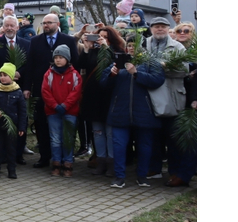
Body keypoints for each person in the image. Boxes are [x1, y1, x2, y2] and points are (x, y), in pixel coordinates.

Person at [100, 37, 165, 188]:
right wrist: (111, 75)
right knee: (119, 145)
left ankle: (142, 176)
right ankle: (119, 177)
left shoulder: (150, 62)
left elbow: (158, 80)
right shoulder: (118, 63)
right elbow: (103, 83)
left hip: (144, 112)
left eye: (134, 45)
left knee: (144, 146)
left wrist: (136, 73)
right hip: (120, 112)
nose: (131, 48)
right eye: (128, 45)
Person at [25, 14, 79, 169]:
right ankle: (45, 157)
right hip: (42, 89)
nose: (45, 25)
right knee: (41, 124)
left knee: (63, 127)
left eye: (48, 23)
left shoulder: (68, 40)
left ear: (57, 24)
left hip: (64, 89)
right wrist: (27, 87)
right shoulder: (35, 41)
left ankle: (65, 157)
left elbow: (75, 60)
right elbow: (30, 65)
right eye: (44, 23)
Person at [141, 16, 188, 180]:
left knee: (172, 138)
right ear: (151, 29)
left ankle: (175, 172)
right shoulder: (144, 44)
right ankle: (154, 168)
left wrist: (161, 69)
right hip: (150, 97)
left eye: (163, 26)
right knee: (153, 137)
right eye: (156, 26)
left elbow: (184, 70)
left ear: (168, 29)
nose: (159, 29)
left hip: (171, 96)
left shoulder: (177, 46)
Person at [80, 26, 125, 177]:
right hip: (93, 96)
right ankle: (101, 161)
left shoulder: (117, 50)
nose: (102, 39)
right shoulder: (93, 51)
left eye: (106, 37)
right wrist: (87, 48)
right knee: (97, 131)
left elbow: (118, 65)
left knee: (110, 132)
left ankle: (112, 163)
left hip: (110, 95)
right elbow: (82, 65)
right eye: (100, 36)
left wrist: (107, 48)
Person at [40, 45, 82, 177]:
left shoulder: (75, 75)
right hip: (53, 112)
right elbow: (45, 92)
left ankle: (68, 163)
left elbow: (76, 93)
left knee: (68, 138)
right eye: (56, 58)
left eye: (61, 57)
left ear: (67, 59)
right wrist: (55, 105)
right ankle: (56, 163)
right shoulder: (49, 74)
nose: (58, 60)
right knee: (55, 139)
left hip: (70, 112)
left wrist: (65, 106)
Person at [0, 63, 26, 179]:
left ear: (12, 76)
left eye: (5, 75)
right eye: (1, 75)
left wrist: (21, 127)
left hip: (12, 126)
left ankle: (12, 170)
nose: (2, 78)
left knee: (11, 149)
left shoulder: (18, 92)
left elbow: (22, 111)